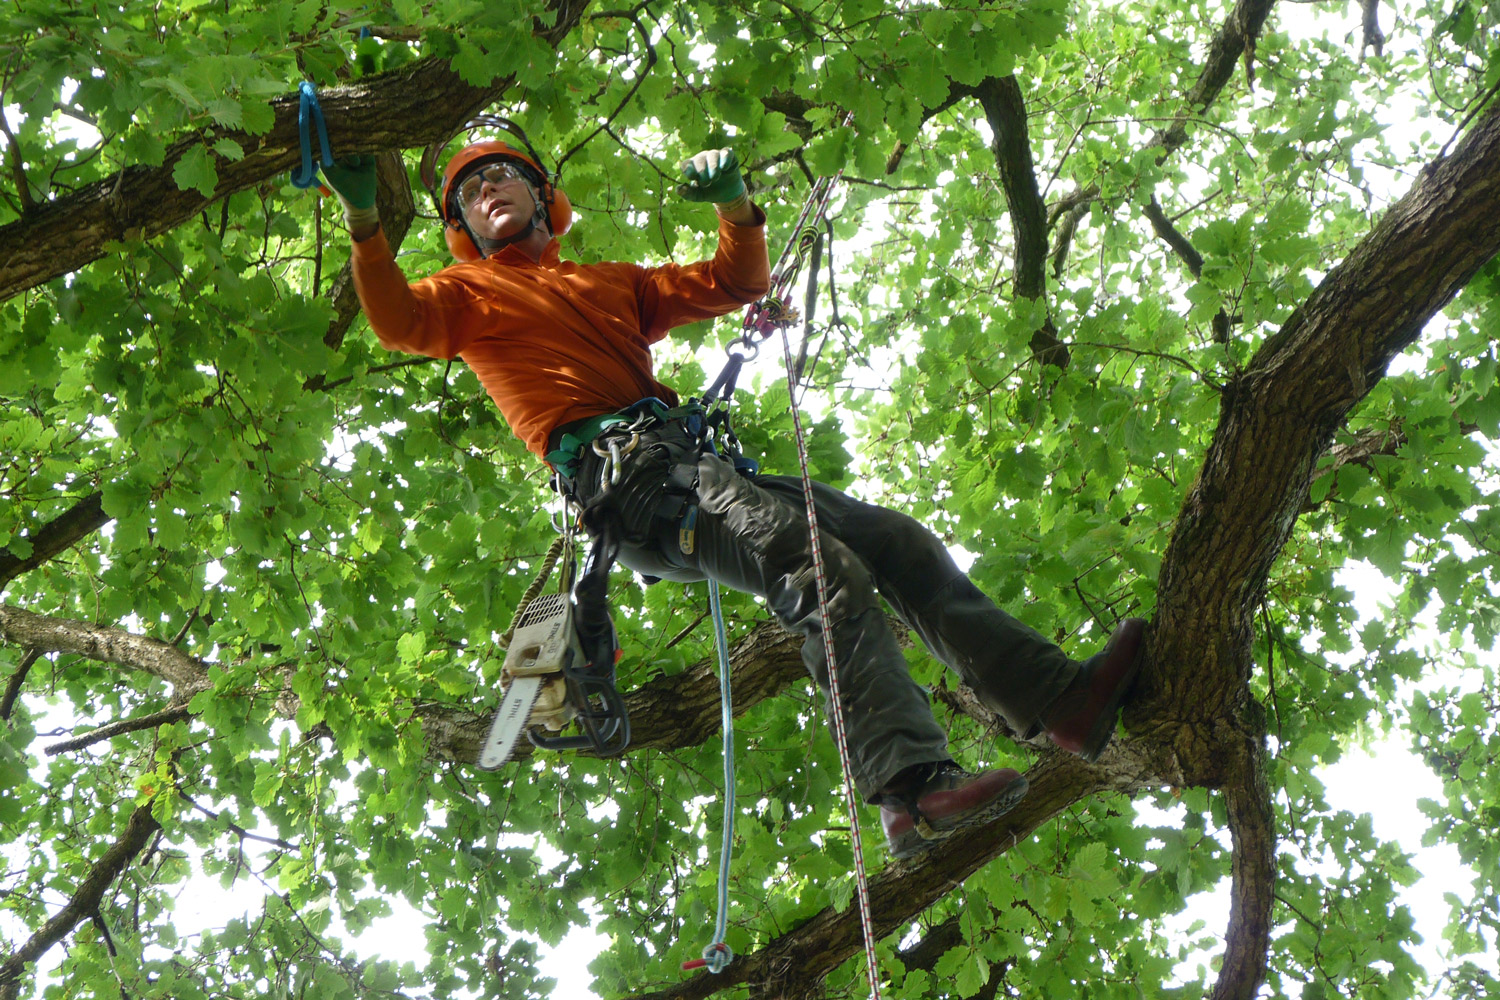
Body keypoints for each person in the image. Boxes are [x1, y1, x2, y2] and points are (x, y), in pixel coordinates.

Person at [320, 129, 1145, 860]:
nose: (487, 190)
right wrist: (365, 226)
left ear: (544, 196)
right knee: (824, 573)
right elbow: (398, 321)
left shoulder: (611, 283)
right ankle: (911, 789)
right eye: (470, 190)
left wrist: (737, 206)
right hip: (640, 490)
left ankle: (1060, 702)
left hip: (696, 471)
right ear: (461, 227)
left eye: (502, 176)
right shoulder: (464, 297)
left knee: (896, 542)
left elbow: (731, 280)